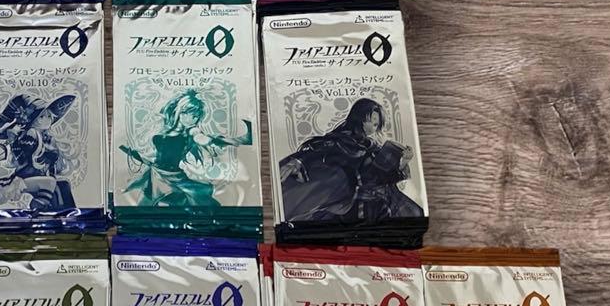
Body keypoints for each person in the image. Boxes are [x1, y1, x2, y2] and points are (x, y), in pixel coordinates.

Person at [279, 97, 422, 224]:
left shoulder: (373, 148)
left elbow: (382, 175)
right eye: (369, 121)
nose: (372, 127)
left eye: (375, 125)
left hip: (372, 204)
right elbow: (316, 152)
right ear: (358, 118)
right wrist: (298, 162)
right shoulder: (339, 140)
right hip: (343, 202)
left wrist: (402, 161)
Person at [120, 89, 254, 207]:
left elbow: (200, 137)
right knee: (143, 206)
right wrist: (138, 155)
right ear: (182, 112)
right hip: (155, 173)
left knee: (186, 204)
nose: (195, 120)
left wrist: (208, 139)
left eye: (197, 117)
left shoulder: (191, 131)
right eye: (193, 115)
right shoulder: (165, 128)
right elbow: (158, 154)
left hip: (173, 178)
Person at [0, 94, 76, 212]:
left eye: (49, 115)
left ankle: (67, 213)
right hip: (25, 177)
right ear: (31, 119)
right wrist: (44, 155)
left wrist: (52, 156)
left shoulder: (45, 136)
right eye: (41, 116)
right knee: (50, 183)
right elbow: (24, 155)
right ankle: (40, 206)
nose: (47, 119)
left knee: (64, 184)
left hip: (38, 175)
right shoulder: (31, 133)